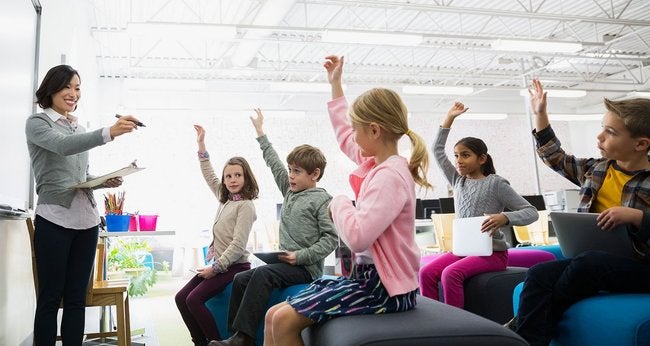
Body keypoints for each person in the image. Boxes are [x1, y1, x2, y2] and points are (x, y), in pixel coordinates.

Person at [262, 55, 431, 346]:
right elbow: (344, 134)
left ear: (375, 131)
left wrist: (338, 202)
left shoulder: (389, 176)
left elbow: (358, 237)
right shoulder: (377, 162)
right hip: (368, 280)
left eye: (358, 130)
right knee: (273, 315)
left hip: (385, 289)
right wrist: (336, 85)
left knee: (284, 320)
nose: (352, 137)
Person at [510, 79, 650, 345]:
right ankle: (528, 340)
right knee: (538, 273)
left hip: (642, 266)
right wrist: (540, 114)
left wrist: (638, 217)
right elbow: (555, 157)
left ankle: (528, 321)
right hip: (600, 261)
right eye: (602, 129)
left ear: (641, 144)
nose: (600, 137)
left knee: (589, 264)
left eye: (611, 132)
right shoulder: (596, 169)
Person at [25, 64, 141, 345]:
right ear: (51, 88)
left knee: (77, 298)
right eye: (67, 86)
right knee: (51, 297)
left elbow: (79, 176)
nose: (73, 93)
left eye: (77, 88)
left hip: (86, 222)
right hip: (54, 220)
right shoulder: (38, 123)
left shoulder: (78, 126)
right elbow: (64, 146)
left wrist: (104, 181)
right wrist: (109, 132)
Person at [207, 109, 338, 346]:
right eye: (290, 170)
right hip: (285, 261)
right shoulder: (290, 190)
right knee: (240, 279)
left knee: (263, 274)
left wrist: (300, 256)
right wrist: (260, 133)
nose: (290, 175)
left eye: (296, 171)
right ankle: (234, 337)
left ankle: (243, 338)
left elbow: (331, 240)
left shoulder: (322, 199)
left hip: (305, 268)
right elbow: (273, 162)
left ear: (315, 174)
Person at [418, 102, 539, 308]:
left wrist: (505, 218)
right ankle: (435, 320)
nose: (459, 160)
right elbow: (437, 150)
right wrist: (449, 118)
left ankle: (460, 325)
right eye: (456, 156)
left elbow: (531, 212)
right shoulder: (458, 181)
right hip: (463, 249)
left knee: (450, 273)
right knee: (426, 272)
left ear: (481, 158)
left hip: (493, 254)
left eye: (465, 155)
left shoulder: (496, 183)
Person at [175, 125, 260, 346]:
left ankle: (216, 342)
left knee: (194, 300)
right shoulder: (225, 199)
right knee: (180, 298)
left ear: (246, 177)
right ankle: (200, 342)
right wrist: (201, 145)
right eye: (228, 176)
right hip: (218, 264)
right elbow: (209, 174)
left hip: (233, 267)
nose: (232, 180)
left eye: (238, 175)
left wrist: (215, 268)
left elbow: (238, 245)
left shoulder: (246, 206)